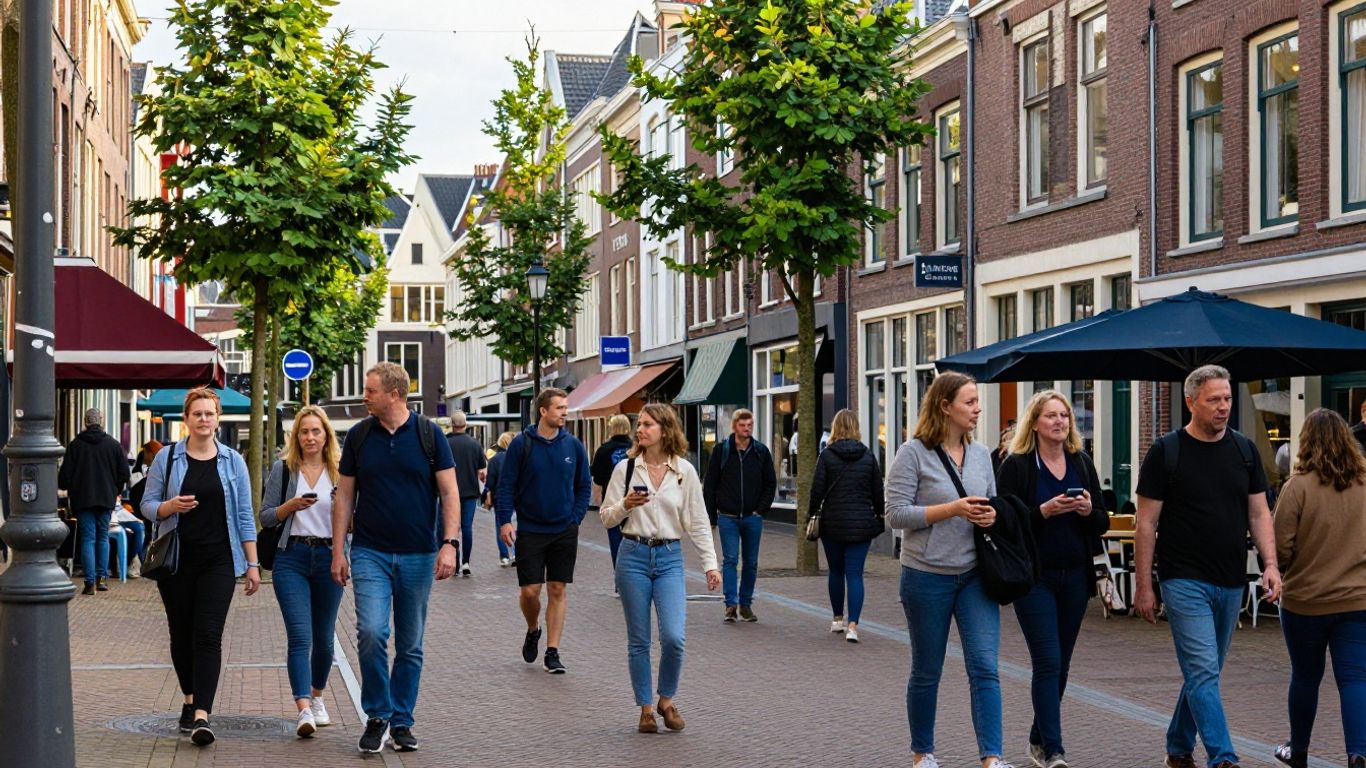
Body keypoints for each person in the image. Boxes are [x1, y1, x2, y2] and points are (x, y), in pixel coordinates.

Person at [1134, 364, 1281, 768]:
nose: (1223, 407)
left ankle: (1179, 745)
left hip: (1232, 578)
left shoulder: (1244, 450)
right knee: (1202, 671)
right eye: (1214, 399)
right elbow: (1145, 523)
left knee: (1206, 672)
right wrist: (1144, 585)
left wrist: (1270, 565)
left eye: (1228, 399)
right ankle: (1224, 757)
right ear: (1191, 402)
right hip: (1183, 579)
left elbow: (1259, 514)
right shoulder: (1167, 451)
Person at [330, 362, 461, 754]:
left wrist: (450, 543)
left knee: (410, 643)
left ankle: (402, 720)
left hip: (419, 553)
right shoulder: (358, 437)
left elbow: (450, 493)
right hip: (369, 550)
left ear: (394, 394)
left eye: (370, 390)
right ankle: (377, 714)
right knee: (371, 632)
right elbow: (345, 497)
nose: (364, 396)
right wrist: (339, 551)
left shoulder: (428, 434)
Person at [885, 371, 1012, 768]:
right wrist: (952, 509)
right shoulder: (912, 453)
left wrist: (990, 516)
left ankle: (991, 758)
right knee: (927, 669)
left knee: (985, 666)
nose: (978, 409)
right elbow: (895, 515)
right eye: (970, 402)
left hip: (975, 574)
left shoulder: (980, 454)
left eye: (977, 401)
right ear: (945, 406)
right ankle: (923, 752)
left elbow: (991, 503)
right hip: (926, 575)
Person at [140, 388, 260, 746]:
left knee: (208, 634)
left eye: (210, 413)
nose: (204, 419)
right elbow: (146, 504)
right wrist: (169, 507)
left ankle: (203, 715)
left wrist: (252, 563)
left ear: (218, 418)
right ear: (187, 419)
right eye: (198, 414)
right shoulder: (169, 458)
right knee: (181, 634)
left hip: (219, 561)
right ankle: (189, 699)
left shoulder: (232, 460)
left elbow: (243, 515)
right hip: (176, 561)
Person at [996, 391, 1109, 768]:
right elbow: (1006, 524)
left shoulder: (1081, 462)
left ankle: (1036, 736)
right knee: (1047, 660)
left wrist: (1089, 509)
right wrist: (1042, 511)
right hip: (1035, 578)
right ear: (1035, 422)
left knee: (1061, 664)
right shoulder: (1017, 466)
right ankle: (1053, 750)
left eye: (1064, 415)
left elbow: (1102, 523)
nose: (1059, 421)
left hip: (1075, 576)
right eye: (1051, 416)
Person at [600, 404, 720, 733]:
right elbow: (606, 516)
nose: (640, 429)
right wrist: (626, 504)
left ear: (665, 430)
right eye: (639, 424)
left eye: (647, 424)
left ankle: (666, 699)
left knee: (674, 636)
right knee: (639, 640)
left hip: (669, 557)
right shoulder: (625, 469)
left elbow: (698, 522)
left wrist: (711, 564)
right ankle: (646, 710)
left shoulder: (685, 472)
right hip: (633, 555)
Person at [1271, 408, 1366, 768]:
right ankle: (1358, 753)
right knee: (1356, 678)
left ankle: (1299, 752)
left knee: (1306, 676)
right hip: (1358, 599)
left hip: (1305, 602)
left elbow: (1280, 549)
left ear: (1306, 442)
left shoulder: (1297, 487)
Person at [261, 405, 346, 738]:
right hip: (291, 557)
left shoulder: (340, 472)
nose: (310, 437)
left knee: (325, 640)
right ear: (296, 436)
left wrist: (344, 507)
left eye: (316, 431)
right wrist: (290, 506)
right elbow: (266, 516)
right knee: (300, 636)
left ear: (326, 435)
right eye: (304, 431)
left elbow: (355, 523)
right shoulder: (284, 470)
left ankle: (317, 695)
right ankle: (303, 709)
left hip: (328, 557)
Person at [495, 387, 592, 674]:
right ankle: (533, 627)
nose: (564, 412)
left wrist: (575, 517)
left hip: (564, 528)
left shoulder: (573, 446)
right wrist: (504, 520)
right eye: (559, 408)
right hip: (531, 529)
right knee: (529, 591)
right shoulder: (521, 445)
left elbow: (584, 486)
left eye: (565, 407)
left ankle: (552, 651)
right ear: (543, 411)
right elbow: (506, 486)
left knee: (557, 588)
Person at [809, 408, 884, 644]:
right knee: (855, 574)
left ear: (835, 427)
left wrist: (811, 515)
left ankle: (837, 618)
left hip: (833, 523)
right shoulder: (869, 456)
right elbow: (877, 491)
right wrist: (879, 517)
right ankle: (854, 626)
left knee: (836, 571)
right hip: (861, 525)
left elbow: (817, 490)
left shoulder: (826, 456)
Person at [703, 408, 776, 623]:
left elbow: (770, 484)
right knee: (731, 560)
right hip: (728, 516)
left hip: (753, 517)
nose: (747, 429)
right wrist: (712, 516)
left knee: (751, 562)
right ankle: (730, 604)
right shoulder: (721, 451)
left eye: (750, 425)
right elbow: (710, 485)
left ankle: (746, 604)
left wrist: (760, 510)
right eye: (743, 425)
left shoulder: (761, 452)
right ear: (735, 427)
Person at [58, 408, 131, 595]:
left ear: (85, 421)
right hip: (106, 498)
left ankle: (89, 582)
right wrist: (115, 489)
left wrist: (73, 486)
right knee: (103, 537)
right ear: (102, 421)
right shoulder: (114, 445)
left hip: (82, 500)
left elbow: (64, 478)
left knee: (88, 539)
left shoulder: (75, 445)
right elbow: (124, 473)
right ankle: (102, 578)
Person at [446, 410, 488, 577]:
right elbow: (482, 469)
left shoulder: (445, 443)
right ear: (465, 424)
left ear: (452, 424)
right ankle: (466, 562)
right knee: (467, 527)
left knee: (452, 528)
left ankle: (455, 565)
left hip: (449, 493)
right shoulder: (474, 444)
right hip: (470, 491)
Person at [592, 414, 635, 569]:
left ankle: (620, 579)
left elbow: (597, 479)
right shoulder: (636, 447)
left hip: (612, 500)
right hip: (635, 499)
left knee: (616, 541)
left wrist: (599, 501)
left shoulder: (604, 450)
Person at [483, 431, 516, 566]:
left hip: (500, 498)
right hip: (517, 496)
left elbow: (490, 481)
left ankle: (504, 556)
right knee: (516, 525)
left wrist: (486, 493)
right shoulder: (518, 458)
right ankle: (516, 553)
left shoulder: (495, 459)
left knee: (500, 525)